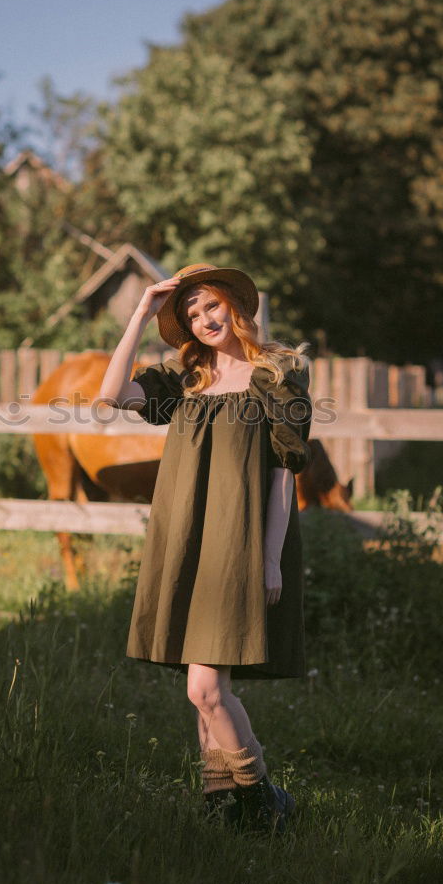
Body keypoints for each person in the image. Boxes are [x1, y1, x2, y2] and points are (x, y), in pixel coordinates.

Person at [97, 263, 313, 834]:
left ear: (236, 305)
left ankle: (266, 798)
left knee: (205, 687)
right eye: (190, 314)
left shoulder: (278, 374)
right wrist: (141, 313)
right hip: (187, 536)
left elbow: (284, 475)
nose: (204, 319)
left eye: (210, 305)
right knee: (205, 687)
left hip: (240, 540)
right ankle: (222, 804)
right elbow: (110, 394)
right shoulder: (182, 379)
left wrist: (269, 557)